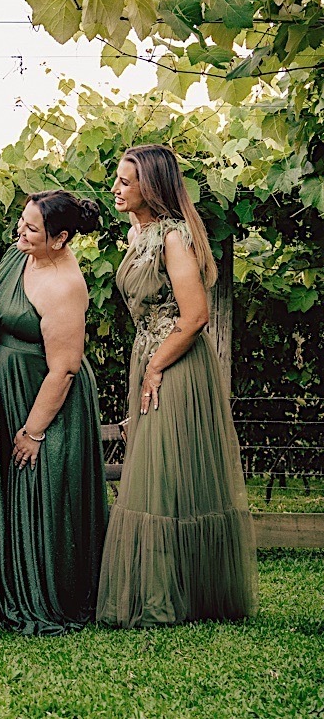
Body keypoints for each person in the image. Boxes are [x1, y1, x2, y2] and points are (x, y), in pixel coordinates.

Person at [97, 144, 258, 627]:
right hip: (149, 357)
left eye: (126, 181)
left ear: (151, 187)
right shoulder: (137, 233)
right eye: (117, 179)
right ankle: (169, 588)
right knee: (154, 469)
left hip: (175, 363)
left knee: (165, 475)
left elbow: (195, 316)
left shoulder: (173, 237)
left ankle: (166, 596)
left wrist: (155, 368)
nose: (115, 188)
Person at [0, 189, 108, 635]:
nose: (21, 231)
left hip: (47, 400)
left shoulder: (64, 286)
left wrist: (33, 432)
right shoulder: (20, 256)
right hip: (8, 390)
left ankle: (50, 593)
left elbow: (65, 368)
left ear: (60, 238)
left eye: (32, 228)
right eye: (22, 221)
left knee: (41, 489)